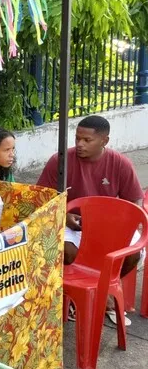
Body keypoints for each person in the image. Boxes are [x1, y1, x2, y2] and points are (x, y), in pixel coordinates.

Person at [37, 115, 144, 324]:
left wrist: (114, 224)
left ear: (105, 141)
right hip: (69, 223)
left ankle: (103, 292)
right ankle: (79, 297)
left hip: (108, 225)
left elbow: (135, 203)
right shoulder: (60, 161)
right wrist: (64, 216)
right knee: (68, 252)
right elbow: (42, 199)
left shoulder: (120, 163)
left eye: (87, 140)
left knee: (133, 254)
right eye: (77, 138)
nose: (79, 144)